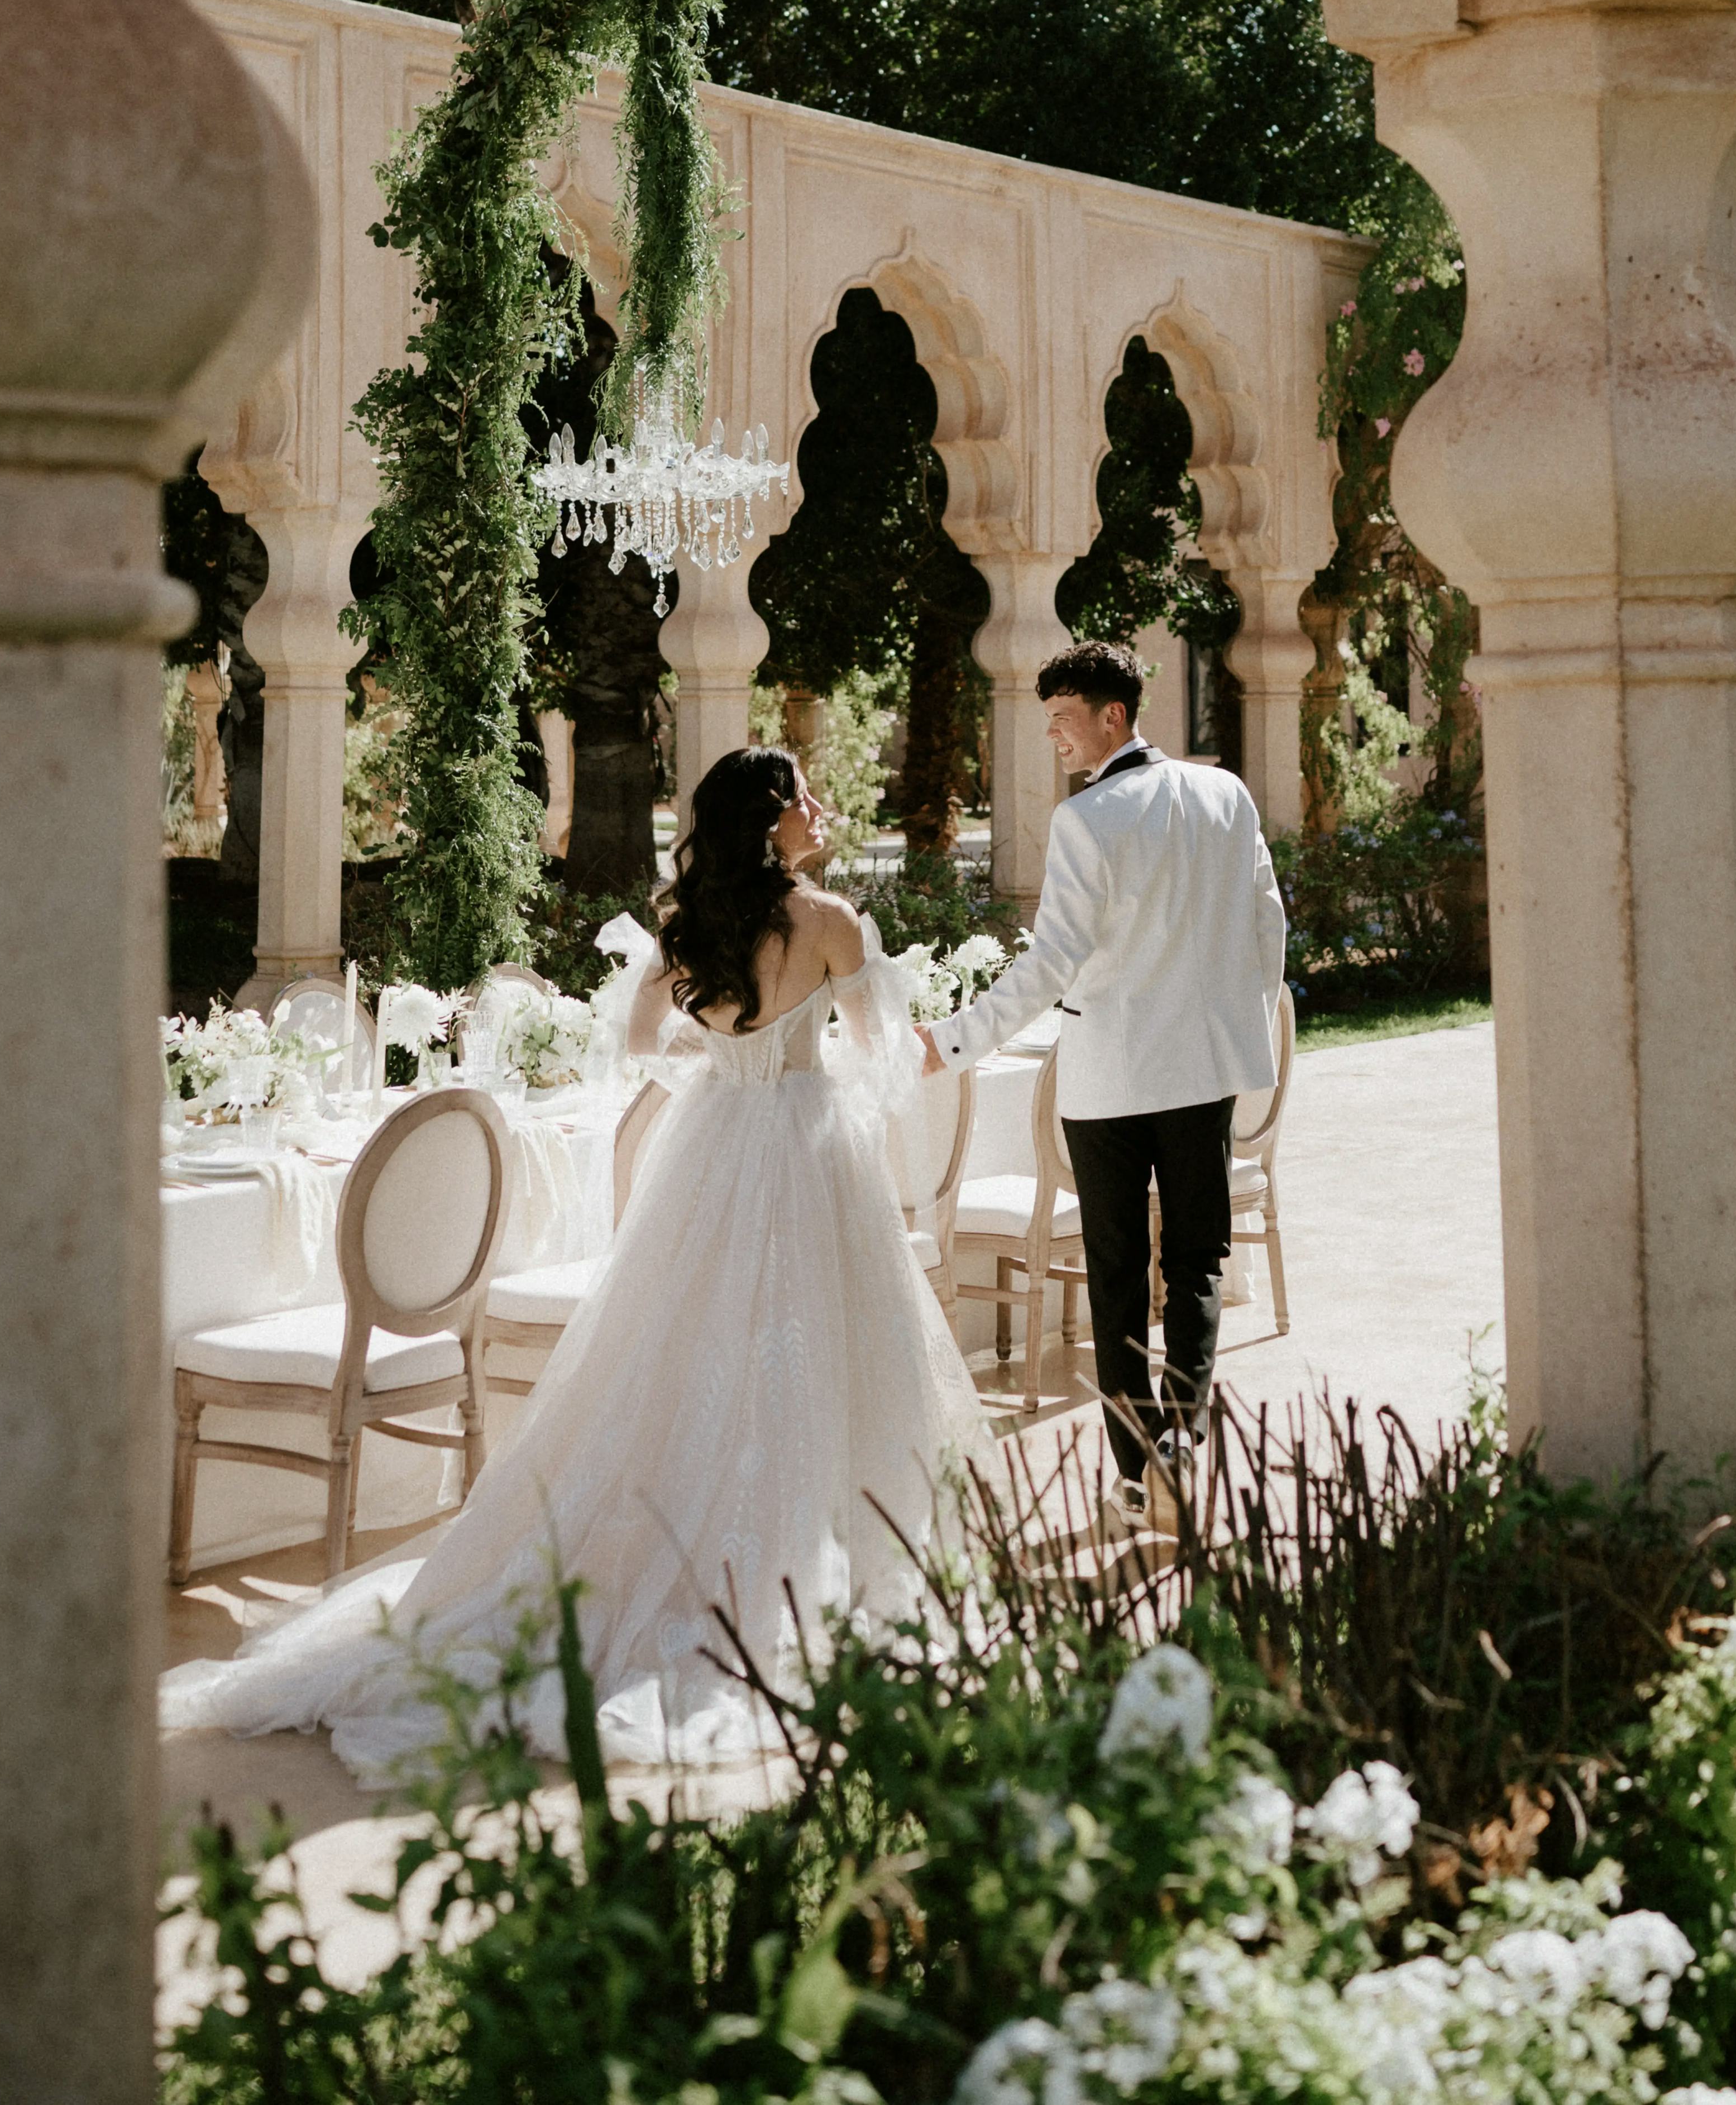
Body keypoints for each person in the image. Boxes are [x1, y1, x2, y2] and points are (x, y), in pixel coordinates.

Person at [161, 747, 988, 1779]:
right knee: (812, 1354)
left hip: (714, 1149)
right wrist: (816, 1060)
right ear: (770, 819)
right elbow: (879, 1054)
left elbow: (641, 1038)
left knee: (675, 1359)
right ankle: (800, 1570)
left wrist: (725, 1061)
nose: (819, 808)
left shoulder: (686, 920)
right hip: (807, 1152)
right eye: (805, 797)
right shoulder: (829, 922)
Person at [925, 639, 1284, 1507]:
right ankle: (1185, 1430)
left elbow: (1050, 965)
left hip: (1112, 1084)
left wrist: (954, 1040)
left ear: (1113, 715)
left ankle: (1135, 1470)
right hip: (1203, 1072)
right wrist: (1235, 1020)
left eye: (1062, 720)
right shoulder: (1225, 794)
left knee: (1117, 1271)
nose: (1054, 738)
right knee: (1198, 1258)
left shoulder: (1085, 820)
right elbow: (1268, 925)